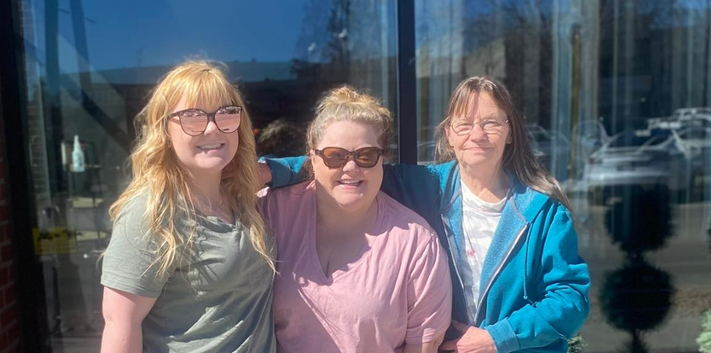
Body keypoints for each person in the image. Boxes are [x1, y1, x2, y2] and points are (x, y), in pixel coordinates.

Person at [262, 77, 591, 353]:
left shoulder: (543, 211)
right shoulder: (425, 184)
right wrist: (268, 172)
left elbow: (571, 298)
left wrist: (496, 338)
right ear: (449, 134)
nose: (477, 134)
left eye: (491, 122)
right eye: (464, 124)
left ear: (510, 132)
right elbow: (343, 165)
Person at [256, 87, 452, 353]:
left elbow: (424, 345)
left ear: (382, 159)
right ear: (313, 158)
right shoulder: (271, 212)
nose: (351, 167)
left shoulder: (416, 244)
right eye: (335, 156)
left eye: (365, 156)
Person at [101, 61, 276, 353]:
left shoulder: (241, 196)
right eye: (192, 117)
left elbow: (312, 165)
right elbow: (120, 324)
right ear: (164, 131)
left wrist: (278, 170)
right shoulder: (152, 212)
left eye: (226, 114)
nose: (212, 128)